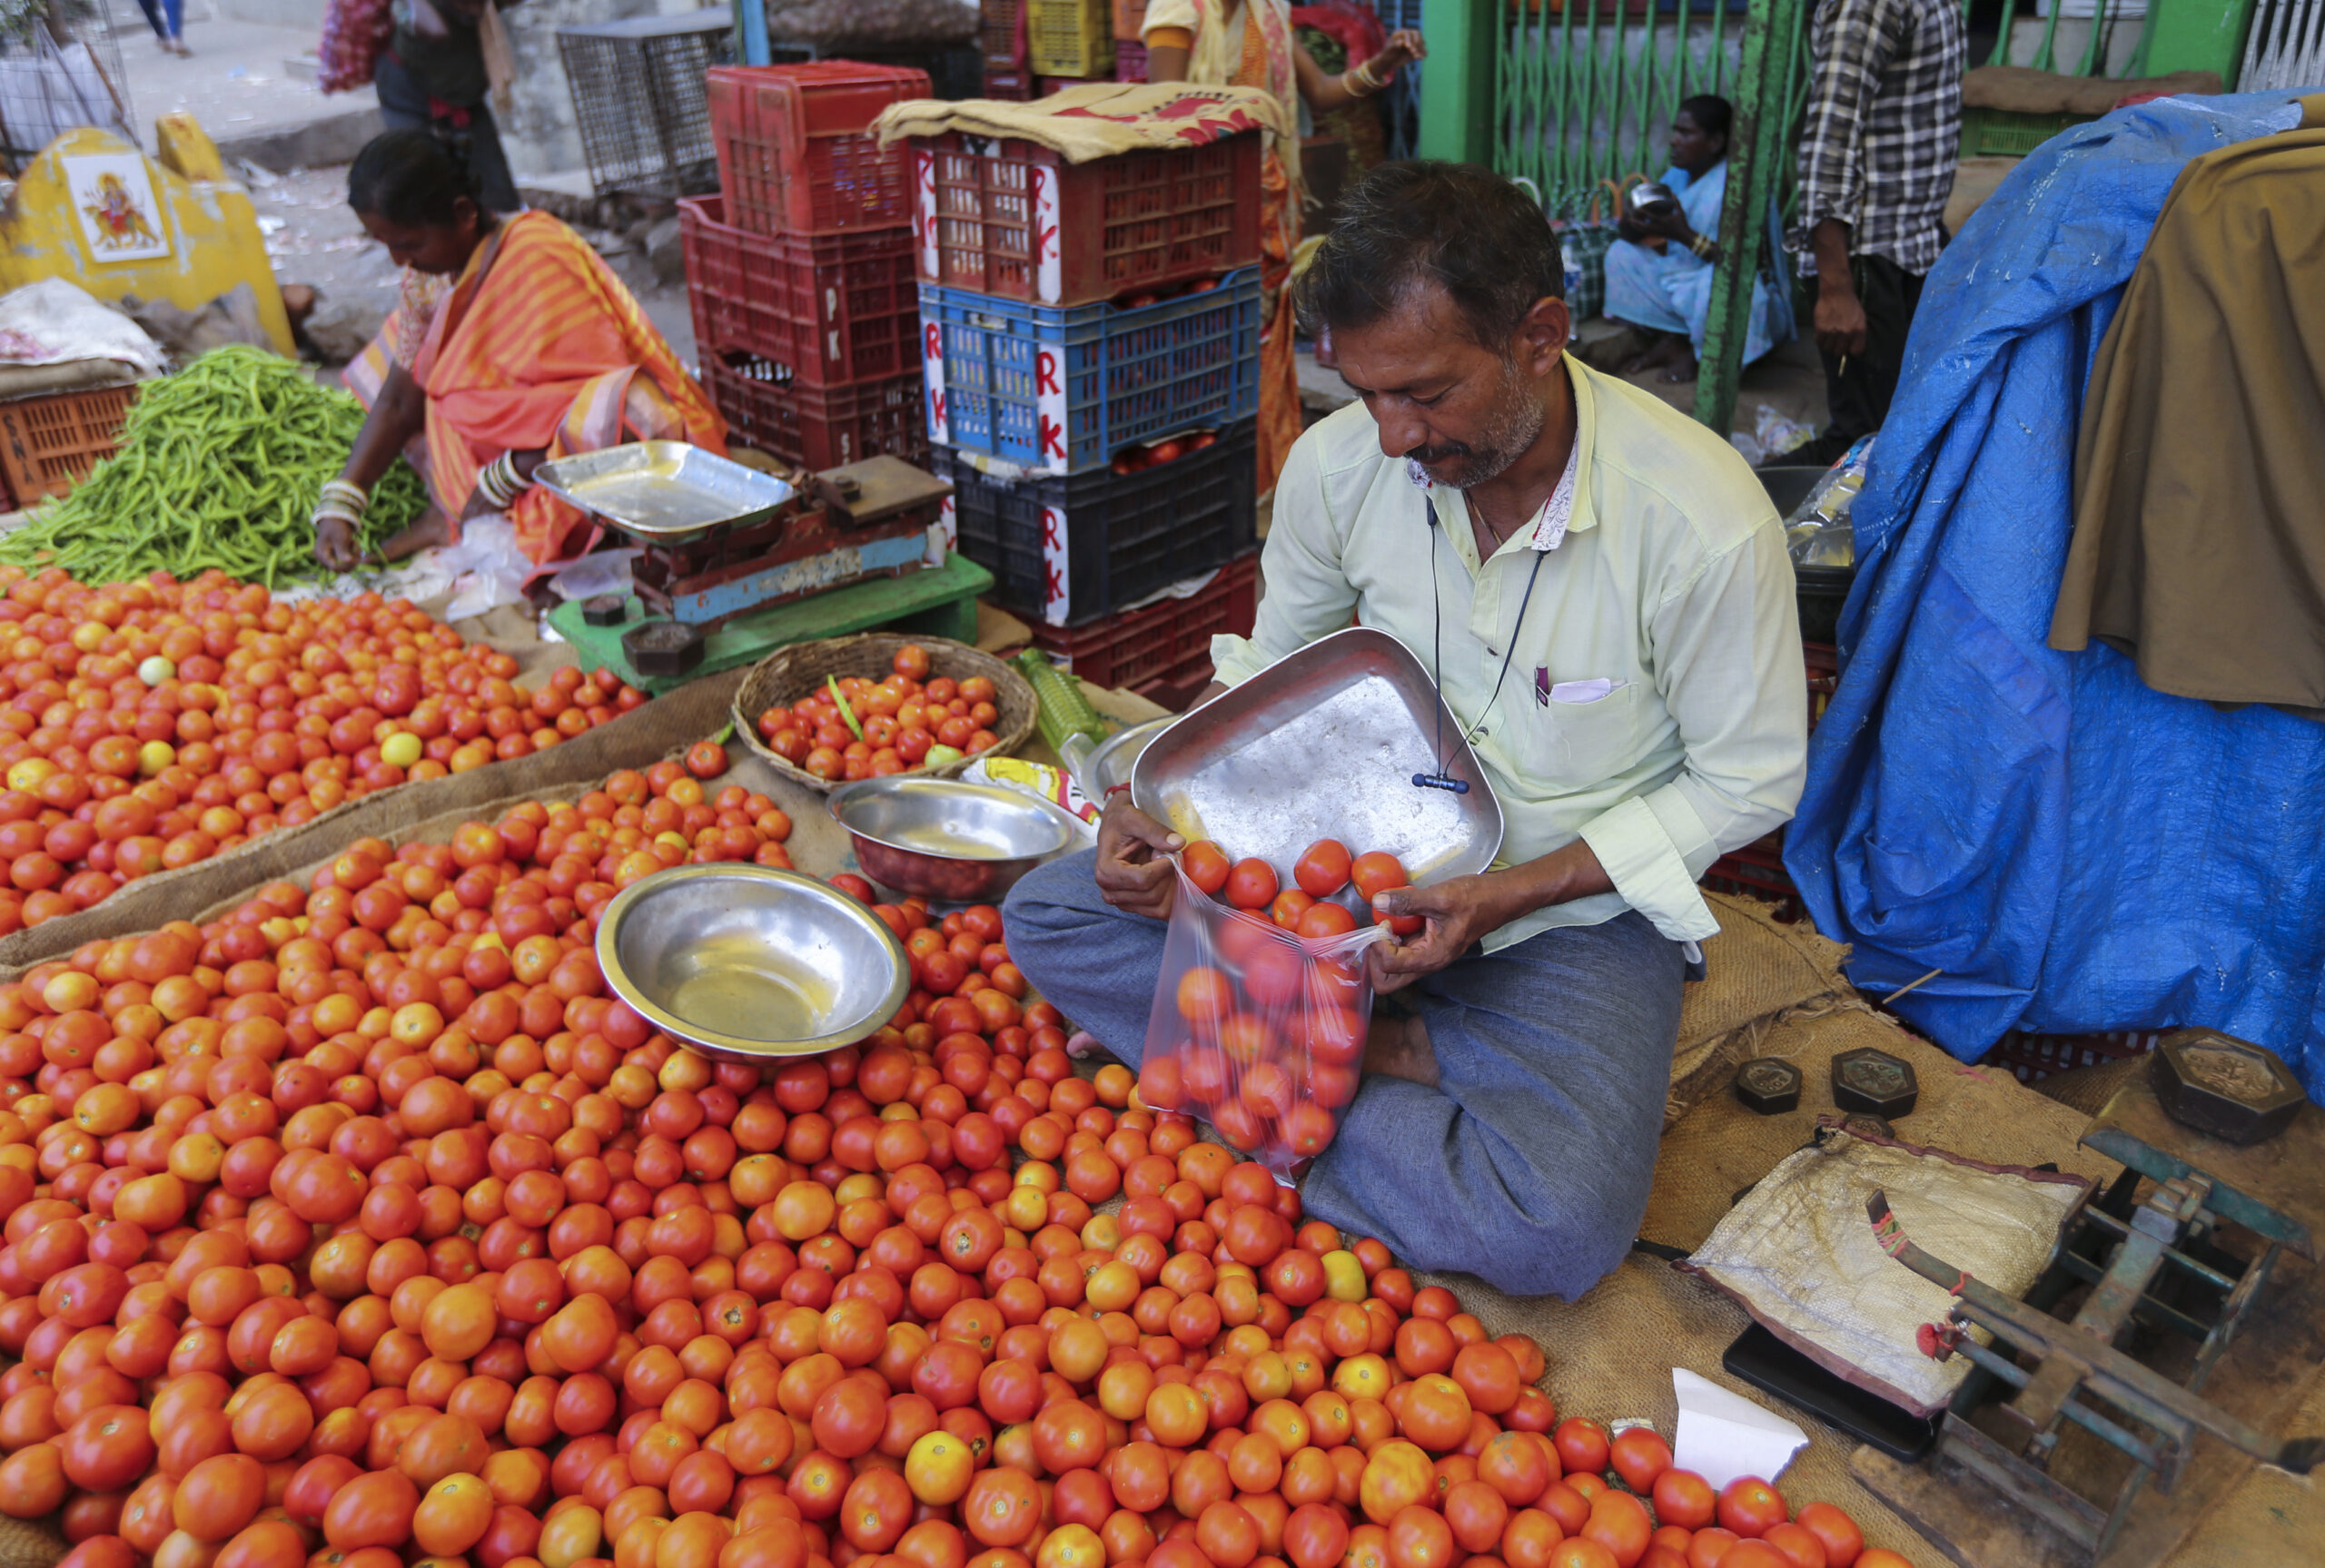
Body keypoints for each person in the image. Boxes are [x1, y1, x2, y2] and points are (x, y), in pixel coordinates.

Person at [1002, 163, 1807, 1299]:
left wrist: (1509, 893)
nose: (1389, 435)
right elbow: (1269, 677)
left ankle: (1284, 1051)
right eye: (1365, 393)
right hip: (1328, 864)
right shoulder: (1341, 469)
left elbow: (1747, 782)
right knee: (1046, 914)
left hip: (1562, 909)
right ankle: (1374, 1054)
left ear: (1539, 335)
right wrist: (1166, 828)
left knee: (1559, 1226)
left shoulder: (1699, 524)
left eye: (1424, 393)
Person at [316, 130, 724, 577]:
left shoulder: (538, 252)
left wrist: (506, 475)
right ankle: (451, 511)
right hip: (499, 445)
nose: (400, 262)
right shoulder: (427, 280)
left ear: (464, 213)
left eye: (410, 245)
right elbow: (397, 399)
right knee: (397, 359)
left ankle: (519, 516)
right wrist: (343, 501)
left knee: (630, 411)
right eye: (387, 245)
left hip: (560, 454)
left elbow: (602, 402)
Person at [1142, 0, 1423, 494]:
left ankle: (1263, 488)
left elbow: (1320, 92)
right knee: (1208, 349)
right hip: (1199, 214)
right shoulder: (1176, 10)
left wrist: (1384, 64)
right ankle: (1220, 489)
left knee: (1260, 346)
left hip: (1263, 203)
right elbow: (1167, 119)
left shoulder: (1267, 10)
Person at [1790, 0, 1964, 464]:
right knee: (1860, 443)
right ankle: (1736, 515)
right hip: (1865, 258)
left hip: (1910, 244)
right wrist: (1836, 288)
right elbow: (1830, 142)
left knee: (1894, 434)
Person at [1602, 95, 1793, 384]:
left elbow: (1739, 264)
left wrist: (1681, 233)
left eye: (1686, 133)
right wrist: (1632, 223)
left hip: (1715, 283)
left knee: (1722, 289)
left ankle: (1696, 352)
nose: (1674, 141)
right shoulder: (1678, 177)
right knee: (1620, 255)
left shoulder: (1737, 187)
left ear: (1715, 142)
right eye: (1675, 131)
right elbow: (1634, 235)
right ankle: (1674, 339)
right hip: (1681, 279)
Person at [374, 0, 521, 215]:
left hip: (464, 91)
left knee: (497, 194)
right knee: (420, 180)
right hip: (407, 90)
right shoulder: (415, 13)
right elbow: (433, 30)